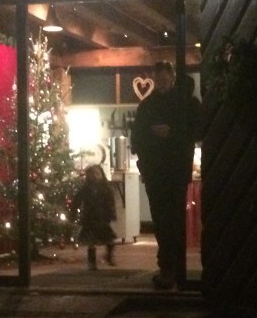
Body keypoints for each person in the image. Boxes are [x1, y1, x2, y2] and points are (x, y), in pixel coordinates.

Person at [130, 60, 201, 290]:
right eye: (158, 79)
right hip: (161, 171)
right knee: (164, 221)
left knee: (169, 220)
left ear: (171, 78)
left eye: (163, 79)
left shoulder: (163, 105)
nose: (160, 83)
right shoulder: (153, 105)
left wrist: (169, 133)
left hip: (169, 170)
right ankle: (170, 268)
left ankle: (170, 269)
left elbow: (196, 130)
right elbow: (137, 138)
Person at [71, 163, 117, 270]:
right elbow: (77, 201)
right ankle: (92, 263)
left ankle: (109, 255)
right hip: (89, 218)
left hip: (102, 217)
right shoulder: (85, 189)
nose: (95, 176)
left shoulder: (106, 188)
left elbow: (110, 202)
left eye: (97, 173)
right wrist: (73, 213)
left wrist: (111, 214)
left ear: (101, 174)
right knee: (91, 243)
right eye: (92, 174)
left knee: (109, 239)